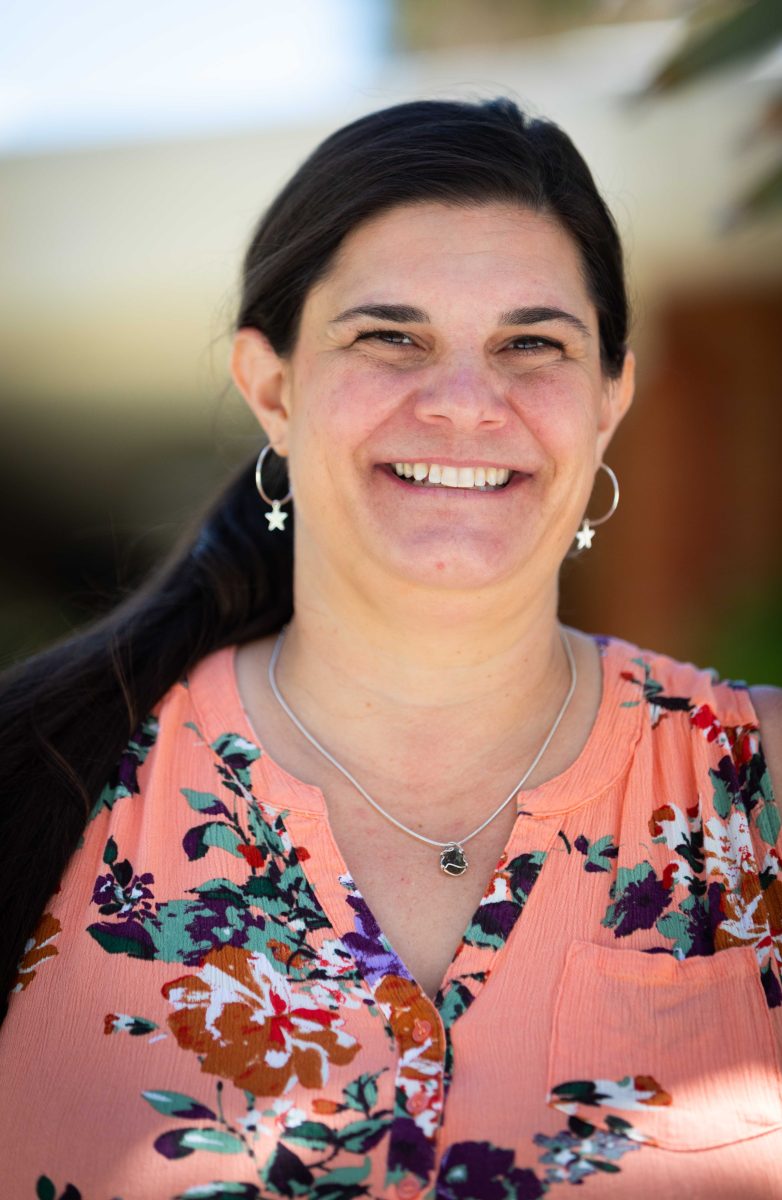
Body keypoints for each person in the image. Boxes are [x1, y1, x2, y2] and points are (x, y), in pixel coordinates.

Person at [0, 97, 780, 1200]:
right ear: (271, 388)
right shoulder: (34, 782)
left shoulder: (762, 790)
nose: (465, 402)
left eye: (530, 345)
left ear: (610, 398)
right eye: (389, 336)